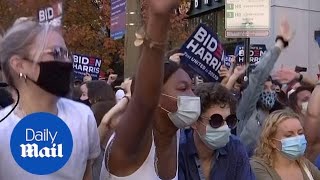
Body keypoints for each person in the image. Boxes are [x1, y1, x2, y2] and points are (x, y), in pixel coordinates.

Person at [99, 1, 200, 179]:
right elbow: (144, 103)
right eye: (183, 88)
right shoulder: (132, 140)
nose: (192, 96)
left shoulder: (176, 136)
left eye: (192, 88)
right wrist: (159, 18)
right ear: (156, 94)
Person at [0, 17, 100, 179]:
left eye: (67, 54)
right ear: (19, 65)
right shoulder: (3, 131)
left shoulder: (83, 116)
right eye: (57, 53)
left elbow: (86, 175)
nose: (67, 61)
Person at [236, 19, 294, 156]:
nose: (269, 92)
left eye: (271, 88)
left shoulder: (281, 115)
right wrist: (279, 44)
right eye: (264, 88)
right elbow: (258, 77)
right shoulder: (246, 112)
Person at [178, 83, 255, 180]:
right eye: (216, 121)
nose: (225, 127)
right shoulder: (178, 151)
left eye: (230, 120)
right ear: (194, 121)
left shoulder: (236, 148)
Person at [250, 110, 320, 179]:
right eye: (289, 135)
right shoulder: (258, 167)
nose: (297, 138)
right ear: (272, 142)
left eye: (300, 133)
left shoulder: (304, 163)